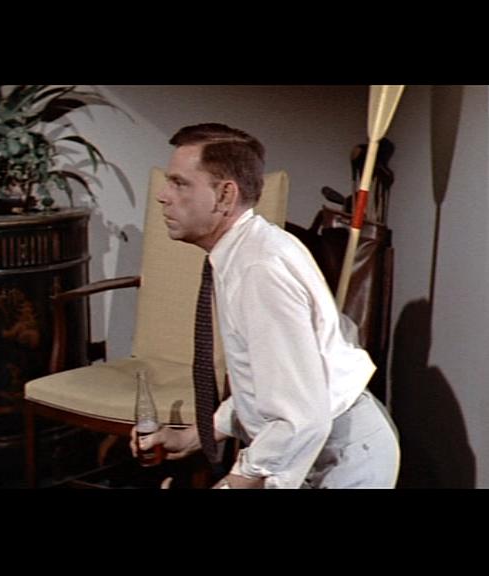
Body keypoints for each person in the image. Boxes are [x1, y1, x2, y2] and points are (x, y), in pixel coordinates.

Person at [131, 123, 400, 489]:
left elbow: (301, 417)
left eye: (179, 183)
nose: (163, 196)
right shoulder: (245, 252)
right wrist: (196, 434)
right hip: (313, 450)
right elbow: (263, 382)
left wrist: (238, 480)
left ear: (225, 195)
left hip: (341, 458)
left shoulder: (260, 269)